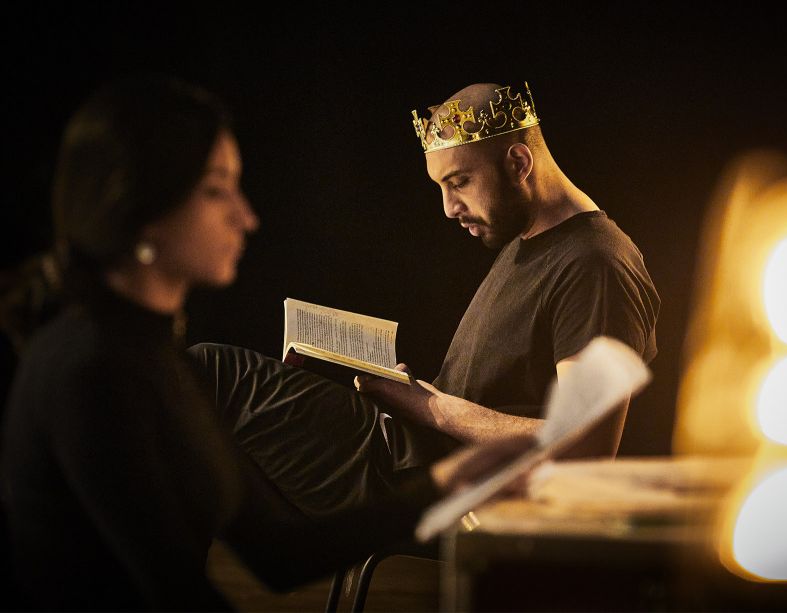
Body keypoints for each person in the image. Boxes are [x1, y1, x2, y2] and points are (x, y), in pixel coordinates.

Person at [0, 77, 527, 610]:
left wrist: (445, 482)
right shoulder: (89, 366)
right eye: (216, 190)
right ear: (144, 210)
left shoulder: (150, 357)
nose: (246, 217)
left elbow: (280, 553)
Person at [190, 82, 659, 511]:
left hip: (431, 480)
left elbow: (585, 450)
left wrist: (427, 405)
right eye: (442, 187)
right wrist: (407, 394)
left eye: (459, 182)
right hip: (406, 453)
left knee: (212, 372)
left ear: (519, 164)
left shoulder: (595, 262)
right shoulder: (530, 240)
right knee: (211, 416)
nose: (449, 208)